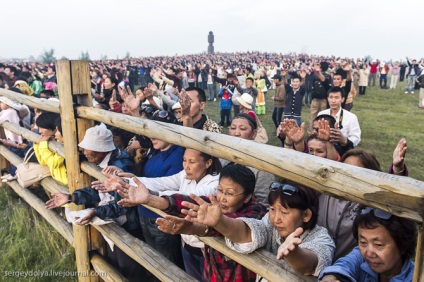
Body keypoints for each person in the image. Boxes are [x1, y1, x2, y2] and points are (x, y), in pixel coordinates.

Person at [118, 164, 268, 282]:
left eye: (229, 193)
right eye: (220, 190)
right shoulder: (215, 203)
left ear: (248, 197)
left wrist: (192, 227)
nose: (222, 197)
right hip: (213, 275)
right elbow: (186, 202)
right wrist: (151, 199)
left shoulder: (257, 212)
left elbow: (232, 224)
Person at [182, 181, 335, 277]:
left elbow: (310, 264)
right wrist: (221, 222)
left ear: (306, 215)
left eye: (284, 212)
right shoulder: (270, 222)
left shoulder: (321, 237)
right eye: (273, 209)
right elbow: (249, 231)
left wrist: (294, 253)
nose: (276, 218)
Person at [117, 148, 222, 281]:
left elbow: (185, 199)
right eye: (184, 160)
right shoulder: (186, 174)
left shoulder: (214, 184)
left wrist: (150, 197)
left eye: (192, 162)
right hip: (187, 243)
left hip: (207, 248)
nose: (186, 166)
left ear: (208, 163)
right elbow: (163, 182)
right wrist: (130, 181)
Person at [319, 208, 416, 282]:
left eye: (378, 245)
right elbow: (344, 265)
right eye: (363, 243)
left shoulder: (416, 277)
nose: (369, 253)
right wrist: (330, 277)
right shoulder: (360, 258)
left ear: (402, 246)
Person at [318, 87, 361, 153]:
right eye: (331, 97)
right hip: (323, 149)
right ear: (327, 99)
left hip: (342, 151)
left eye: (336, 97)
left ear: (342, 99)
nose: (333, 101)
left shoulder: (351, 117)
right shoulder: (321, 114)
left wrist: (345, 141)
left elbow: (356, 137)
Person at [33, 112, 67, 186]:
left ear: (54, 127)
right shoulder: (52, 141)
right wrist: (37, 145)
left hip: (67, 183)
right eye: (38, 128)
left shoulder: (63, 143)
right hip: (59, 182)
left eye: (42, 128)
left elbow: (53, 164)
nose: (39, 131)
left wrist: (42, 146)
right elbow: (43, 162)